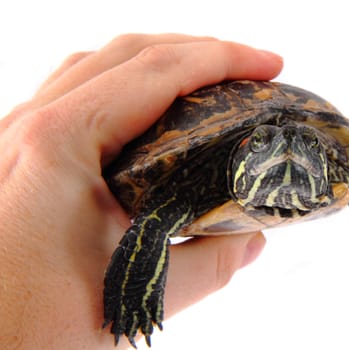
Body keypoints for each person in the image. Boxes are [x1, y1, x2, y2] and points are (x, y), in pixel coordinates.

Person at [0, 33, 283, 349]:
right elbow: (154, 224)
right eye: (262, 144)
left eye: (309, 145)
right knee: (155, 223)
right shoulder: (185, 188)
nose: (286, 148)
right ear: (245, 150)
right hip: (189, 181)